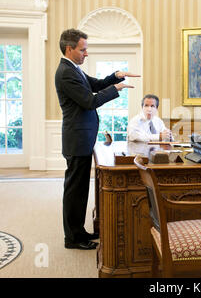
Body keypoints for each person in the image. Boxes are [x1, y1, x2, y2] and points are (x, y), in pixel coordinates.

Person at [55, 28, 140, 250]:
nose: (86, 53)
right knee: (74, 190)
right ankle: (72, 238)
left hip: (82, 139)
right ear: (69, 49)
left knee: (80, 189)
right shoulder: (66, 72)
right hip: (76, 140)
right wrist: (116, 88)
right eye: (83, 50)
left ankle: (79, 231)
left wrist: (115, 76)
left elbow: (95, 85)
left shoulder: (74, 69)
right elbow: (89, 101)